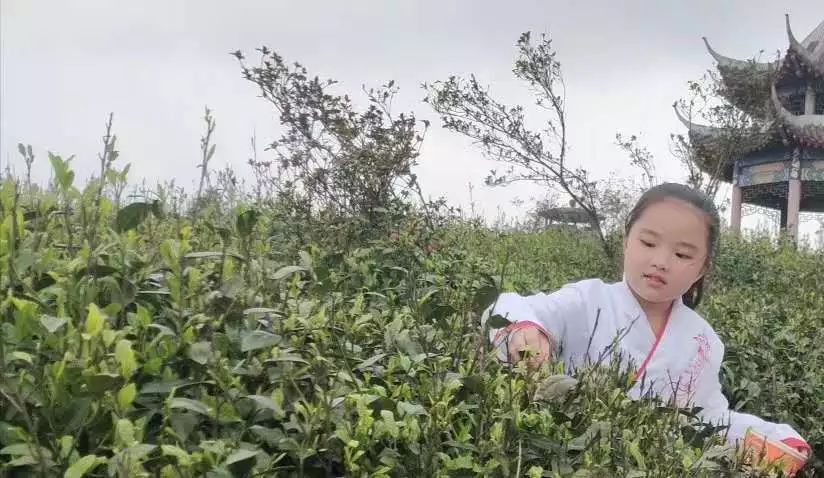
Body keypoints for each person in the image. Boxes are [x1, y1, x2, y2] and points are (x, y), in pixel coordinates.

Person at [483, 183, 811, 462]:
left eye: (682, 255)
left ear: (702, 268)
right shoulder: (587, 300)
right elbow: (513, 305)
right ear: (627, 238)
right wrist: (523, 329)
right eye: (648, 243)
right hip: (565, 458)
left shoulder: (703, 341)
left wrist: (776, 437)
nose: (660, 262)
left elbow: (709, 416)